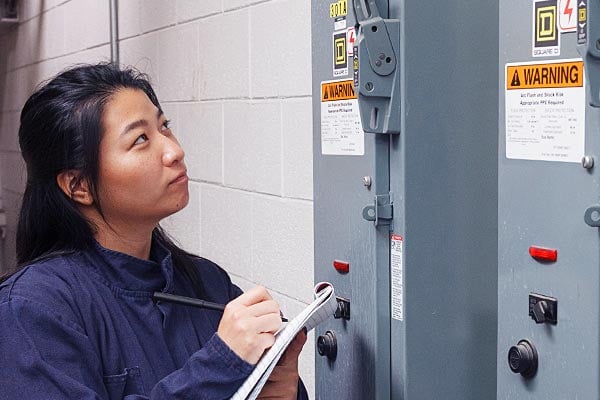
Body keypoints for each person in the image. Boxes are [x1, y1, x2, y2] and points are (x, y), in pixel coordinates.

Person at [0, 63, 308, 399]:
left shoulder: (207, 283)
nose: (175, 151)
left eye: (165, 127)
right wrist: (221, 365)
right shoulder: (33, 310)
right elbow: (220, 372)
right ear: (79, 185)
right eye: (141, 139)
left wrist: (284, 390)